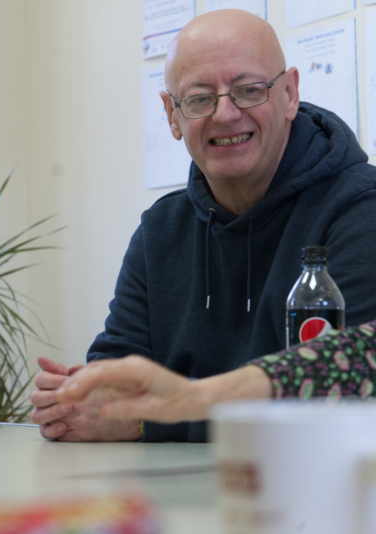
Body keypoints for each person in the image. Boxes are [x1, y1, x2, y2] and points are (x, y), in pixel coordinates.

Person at [31, 9, 376, 442]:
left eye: (249, 90)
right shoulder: (160, 230)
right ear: (172, 116)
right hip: (171, 498)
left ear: (289, 93)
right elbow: (117, 373)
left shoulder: (361, 210)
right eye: (199, 98)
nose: (226, 114)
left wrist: (148, 419)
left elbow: (347, 390)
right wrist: (77, 401)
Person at [53, 320, 376, 424]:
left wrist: (159, 416)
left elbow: (352, 378)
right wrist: (84, 393)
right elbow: (113, 363)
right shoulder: (160, 223)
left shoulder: (362, 202)